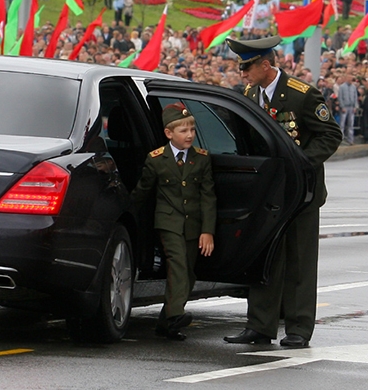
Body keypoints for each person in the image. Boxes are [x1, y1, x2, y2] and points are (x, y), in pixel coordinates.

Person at [224, 35, 342, 347]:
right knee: (266, 259)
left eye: (247, 67)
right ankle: (260, 326)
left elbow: (330, 134)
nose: (243, 73)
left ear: (266, 64)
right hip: (270, 194)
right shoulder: (250, 94)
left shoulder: (301, 95)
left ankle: (299, 329)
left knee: (300, 261)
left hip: (301, 192)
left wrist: (302, 163)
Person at [130, 103, 216, 341]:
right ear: (169, 133)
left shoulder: (201, 159)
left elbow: (208, 197)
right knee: (177, 264)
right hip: (168, 223)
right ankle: (176, 314)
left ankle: (166, 323)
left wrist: (207, 231)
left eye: (192, 129)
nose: (189, 135)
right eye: (183, 131)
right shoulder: (156, 159)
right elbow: (142, 192)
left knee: (187, 273)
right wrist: (126, 213)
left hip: (192, 225)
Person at [337, 74, 358, 145]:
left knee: (350, 124)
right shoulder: (342, 87)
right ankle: (341, 140)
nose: (350, 79)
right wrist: (342, 107)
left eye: (351, 78)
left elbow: (355, 97)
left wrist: (355, 107)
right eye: (349, 78)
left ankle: (350, 140)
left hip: (351, 107)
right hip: (345, 107)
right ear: (346, 78)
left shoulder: (354, 87)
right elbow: (340, 97)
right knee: (342, 124)